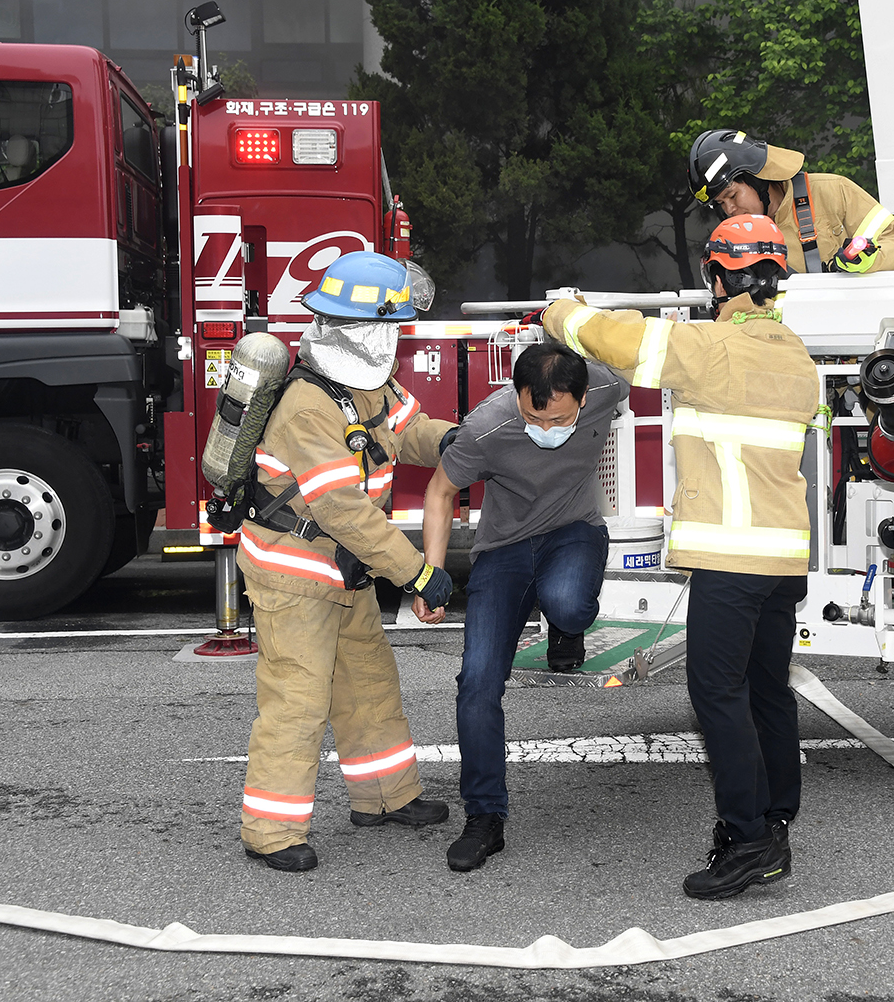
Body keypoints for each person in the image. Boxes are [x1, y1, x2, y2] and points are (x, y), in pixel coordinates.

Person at [536, 214, 819, 900]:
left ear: (717, 277)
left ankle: (747, 840)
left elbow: (618, 340)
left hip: (731, 555)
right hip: (783, 559)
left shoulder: (710, 348)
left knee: (716, 694)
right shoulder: (796, 357)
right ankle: (776, 824)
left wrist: (560, 309)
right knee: (768, 692)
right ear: (776, 278)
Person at [236, 251, 456, 872]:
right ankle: (271, 832)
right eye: (392, 325)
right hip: (296, 573)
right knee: (297, 701)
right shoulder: (309, 404)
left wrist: (460, 439)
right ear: (368, 328)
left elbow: (408, 430)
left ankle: (385, 797)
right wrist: (415, 571)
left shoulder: (363, 382)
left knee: (367, 684)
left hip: (343, 571)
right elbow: (343, 510)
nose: (397, 337)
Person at [417, 341, 629, 872]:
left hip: (574, 531)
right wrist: (430, 576)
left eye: (559, 418)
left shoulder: (608, 387)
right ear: (516, 394)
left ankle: (565, 625)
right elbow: (440, 492)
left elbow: (625, 346)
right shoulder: (486, 428)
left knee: (569, 605)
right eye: (534, 415)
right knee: (478, 683)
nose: (546, 426)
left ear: (585, 399)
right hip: (504, 550)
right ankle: (485, 817)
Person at [687, 129, 894, 274]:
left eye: (732, 195)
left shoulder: (832, 191)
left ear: (757, 178)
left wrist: (868, 261)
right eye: (720, 204)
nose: (730, 210)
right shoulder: (733, 242)